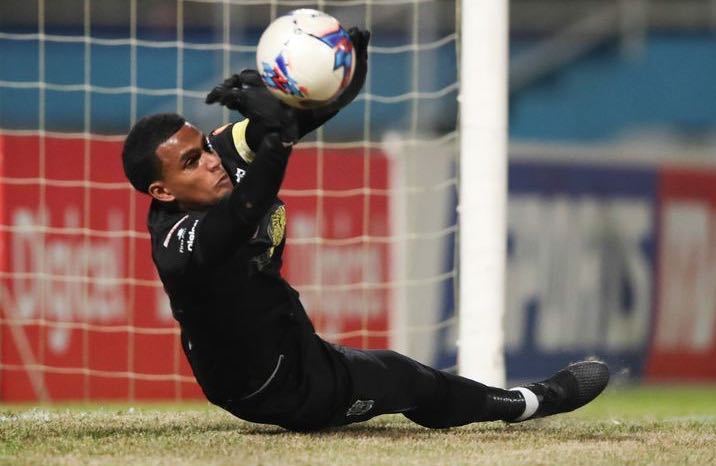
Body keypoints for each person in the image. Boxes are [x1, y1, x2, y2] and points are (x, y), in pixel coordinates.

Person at [121, 28, 609, 432]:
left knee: (386, 372)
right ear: (163, 192)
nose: (210, 161)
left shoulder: (225, 155)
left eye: (204, 146)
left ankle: (513, 401)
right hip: (267, 382)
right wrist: (280, 138)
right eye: (191, 162)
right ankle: (527, 403)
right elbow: (242, 215)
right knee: (405, 379)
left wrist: (343, 72)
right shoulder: (177, 245)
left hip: (288, 341)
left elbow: (303, 115)